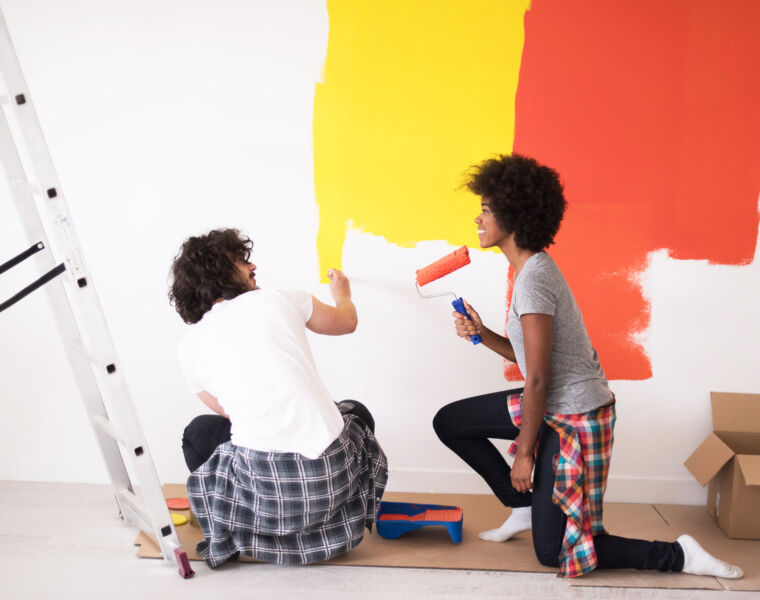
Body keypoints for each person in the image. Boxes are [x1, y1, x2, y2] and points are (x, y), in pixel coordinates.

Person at [433, 154, 743, 579]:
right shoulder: (528, 272)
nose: (477, 218)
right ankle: (524, 506)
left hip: (576, 417)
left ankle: (681, 555)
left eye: (485, 210)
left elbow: (538, 377)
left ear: (515, 215)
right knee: (451, 422)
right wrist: (481, 333)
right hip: (549, 403)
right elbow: (533, 363)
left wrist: (524, 455)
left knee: (556, 554)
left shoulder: (535, 278)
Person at [168, 228, 387, 567]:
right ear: (217, 273)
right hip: (330, 482)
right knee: (355, 412)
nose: (251, 265)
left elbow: (229, 413)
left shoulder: (188, 348)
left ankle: (233, 527)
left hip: (268, 496)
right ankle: (329, 529)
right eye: (239, 261)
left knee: (198, 432)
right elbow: (347, 322)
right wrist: (343, 294)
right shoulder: (279, 299)